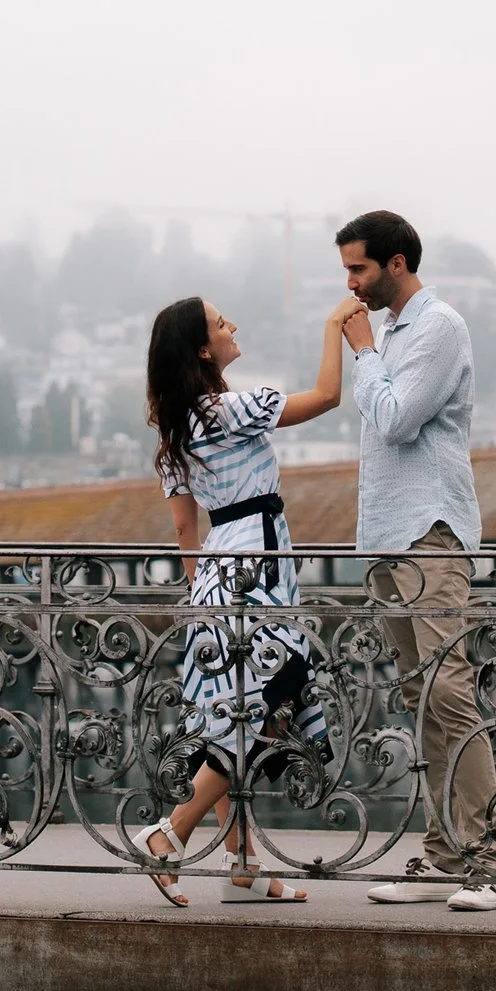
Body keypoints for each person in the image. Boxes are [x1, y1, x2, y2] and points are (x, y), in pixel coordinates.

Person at [135, 291, 362, 906]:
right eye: (219, 322)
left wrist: (200, 596)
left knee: (236, 711)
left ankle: (242, 868)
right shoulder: (230, 409)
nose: (233, 323)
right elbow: (327, 397)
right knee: (271, 698)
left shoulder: (177, 428)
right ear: (205, 349)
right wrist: (333, 325)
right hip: (256, 563)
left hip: (214, 572)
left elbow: (187, 530)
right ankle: (169, 832)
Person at [335, 209, 496, 912]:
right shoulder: (393, 332)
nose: (349, 282)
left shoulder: (437, 327)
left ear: (397, 262)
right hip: (386, 534)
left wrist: (362, 353)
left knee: (449, 690)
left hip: (430, 532)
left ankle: (488, 857)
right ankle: (442, 854)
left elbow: (397, 418)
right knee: (420, 696)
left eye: (358, 268)